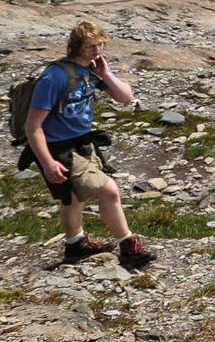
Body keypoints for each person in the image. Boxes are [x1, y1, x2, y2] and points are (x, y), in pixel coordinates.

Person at [23, 21, 155, 269]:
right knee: (110, 191)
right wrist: (47, 162)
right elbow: (33, 126)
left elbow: (125, 97)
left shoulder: (93, 70)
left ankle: (75, 246)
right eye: (91, 45)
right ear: (76, 46)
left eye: (100, 44)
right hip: (59, 148)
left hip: (83, 143)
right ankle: (129, 247)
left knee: (72, 197)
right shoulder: (54, 77)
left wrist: (105, 74)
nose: (97, 49)